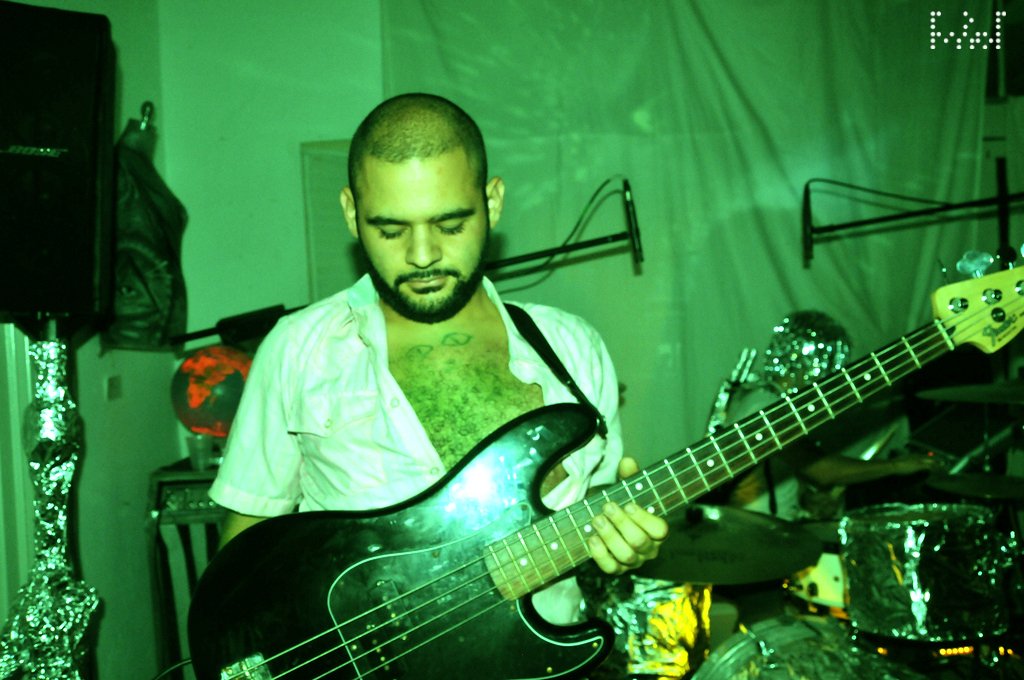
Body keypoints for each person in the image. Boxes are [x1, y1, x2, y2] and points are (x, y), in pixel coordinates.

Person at [208, 93, 668, 628]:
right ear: (352, 213)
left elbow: (596, 523)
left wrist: (624, 544)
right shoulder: (298, 349)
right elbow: (241, 562)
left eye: (450, 225)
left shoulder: (573, 348)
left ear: (492, 202)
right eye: (390, 230)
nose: (422, 256)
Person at [707, 310, 937, 521]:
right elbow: (822, 470)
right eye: (829, 367)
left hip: (764, 528)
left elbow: (776, 471)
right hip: (755, 533)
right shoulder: (765, 406)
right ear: (804, 362)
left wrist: (808, 499)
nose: (828, 381)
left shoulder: (765, 399)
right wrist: (895, 466)